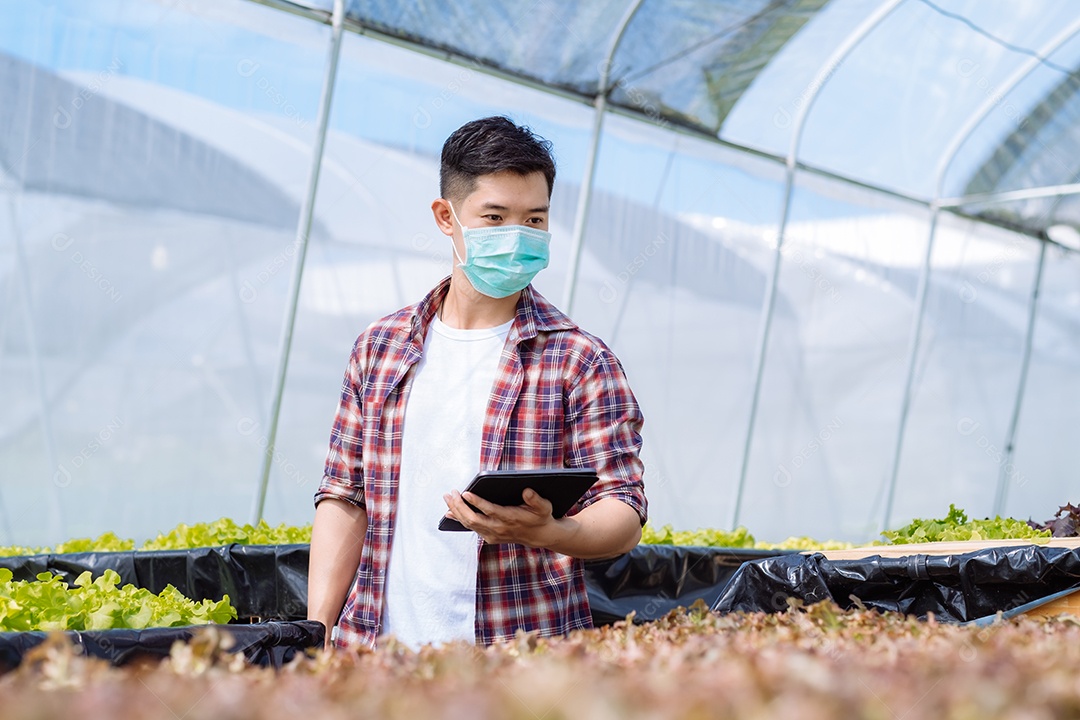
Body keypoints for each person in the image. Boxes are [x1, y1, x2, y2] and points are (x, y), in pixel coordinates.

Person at [308, 116, 647, 650]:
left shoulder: (579, 360)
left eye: (535, 220)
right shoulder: (381, 348)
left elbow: (623, 508)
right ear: (447, 217)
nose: (518, 235)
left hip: (520, 663)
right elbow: (345, 497)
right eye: (495, 217)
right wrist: (318, 634)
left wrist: (554, 534)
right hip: (375, 656)